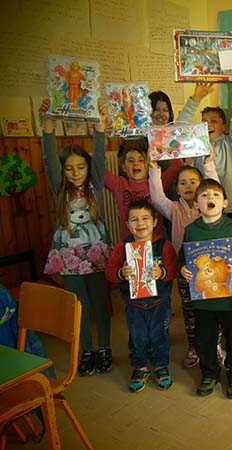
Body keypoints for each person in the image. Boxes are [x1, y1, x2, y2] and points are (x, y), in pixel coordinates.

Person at [39, 98, 112, 377]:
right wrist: (48, 126)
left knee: (100, 304)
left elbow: (100, 155)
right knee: (79, 306)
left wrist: (100, 127)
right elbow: (49, 159)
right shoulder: (59, 188)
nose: (75, 173)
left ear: (87, 167)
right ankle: (87, 350)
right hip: (69, 258)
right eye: (69, 168)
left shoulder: (95, 183)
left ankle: (104, 347)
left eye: (80, 167)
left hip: (95, 254)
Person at [180, 179, 232, 399]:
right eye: (204, 195)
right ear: (196, 204)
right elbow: (183, 256)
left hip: (229, 298)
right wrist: (183, 268)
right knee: (205, 339)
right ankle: (209, 373)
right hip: (203, 300)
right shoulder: (191, 231)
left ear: (225, 203)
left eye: (216, 195)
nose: (210, 198)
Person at [149, 158, 218, 369]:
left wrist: (208, 165)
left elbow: (215, 189)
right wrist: (154, 169)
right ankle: (193, 346)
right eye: (183, 183)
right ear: (177, 189)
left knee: (211, 311)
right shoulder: (173, 209)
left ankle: (214, 346)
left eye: (193, 182)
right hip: (185, 272)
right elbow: (157, 198)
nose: (188, 186)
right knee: (190, 312)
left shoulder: (208, 206)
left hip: (209, 271)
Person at [106, 199, 178, 392]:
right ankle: (140, 366)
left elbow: (174, 269)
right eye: (134, 220)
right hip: (134, 305)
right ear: (128, 224)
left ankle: (161, 366)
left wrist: (162, 272)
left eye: (145, 218)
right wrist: (121, 273)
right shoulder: (122, 247)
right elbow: (110, 272)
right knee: (138, 337)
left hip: (160, 303)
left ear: (155, 222)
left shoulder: (164, 245)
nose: (140, 223)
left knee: (159, 335)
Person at [188, 83, 232, 227]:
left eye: (213, 121)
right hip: (207, 208)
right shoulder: (197, 148)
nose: (208, 125)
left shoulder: (230, 143)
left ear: (224, 126)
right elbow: (179, 127)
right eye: (204, 121)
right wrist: (195, 99)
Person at [105, 138, 181, 240]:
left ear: (148, 164)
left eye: (141, 160)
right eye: (131, 161)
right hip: (130, 243)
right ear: (123, 167)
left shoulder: (157, 181)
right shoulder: (118, 184)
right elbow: (100, 171)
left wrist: (163, 140)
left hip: (157, 242)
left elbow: (178, 166)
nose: (136, 163)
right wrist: (102, 139)